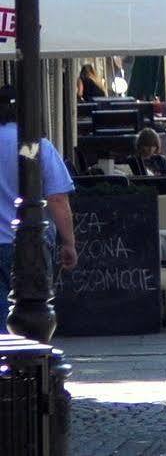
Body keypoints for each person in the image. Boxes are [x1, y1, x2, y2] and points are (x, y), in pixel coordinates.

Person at [0, 86, 80, 316]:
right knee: (31, 307)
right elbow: (57, 198)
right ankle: (23, 347)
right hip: (28, 243)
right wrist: (69, 243)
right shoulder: (32, 146)